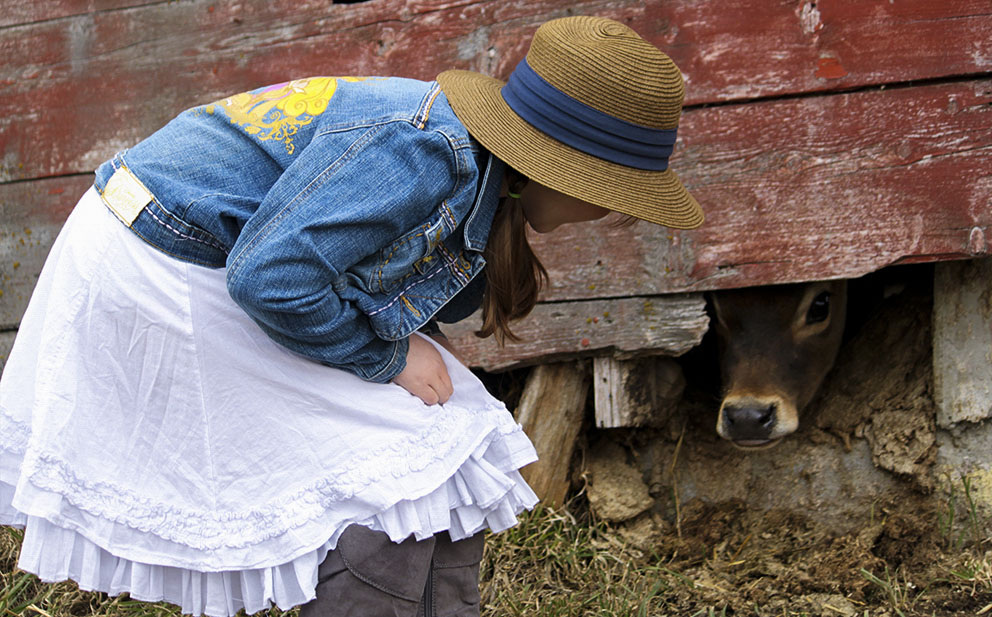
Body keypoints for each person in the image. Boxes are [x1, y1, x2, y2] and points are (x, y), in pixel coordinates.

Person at [0, 15, 702, 617]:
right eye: (614, 189)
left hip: (214, 253)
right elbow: (270, 277)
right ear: (563, 166)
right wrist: (386, 359)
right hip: (163, 257)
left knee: (445, 434)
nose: (612, 208)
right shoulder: (430, 149)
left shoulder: (480, 175)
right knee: (390, 463)